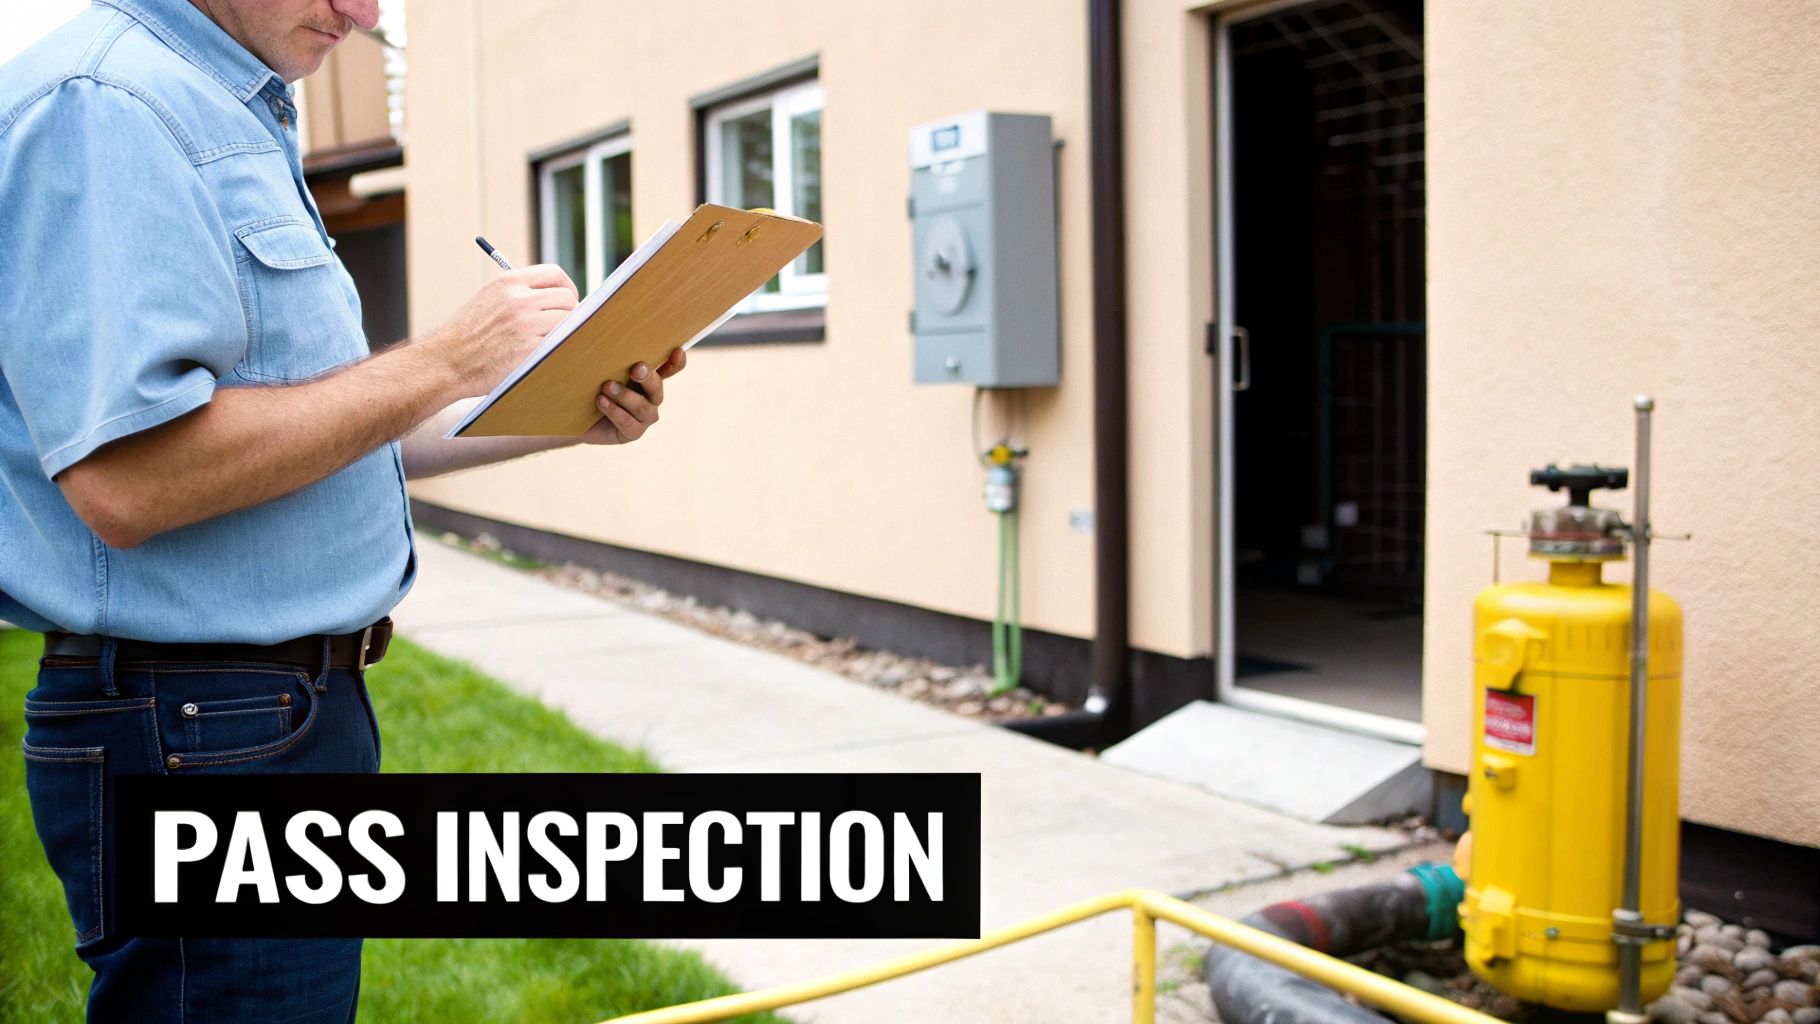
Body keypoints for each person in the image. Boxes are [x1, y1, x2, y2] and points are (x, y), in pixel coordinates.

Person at [0, 0, 684, 1019]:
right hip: (198, 725)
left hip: (257, 715)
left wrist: (560, 414)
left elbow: (332, 436)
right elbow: (130, 480)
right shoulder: (107, 104)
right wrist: (447, 357)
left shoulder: (225, 105)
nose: (362, 13)